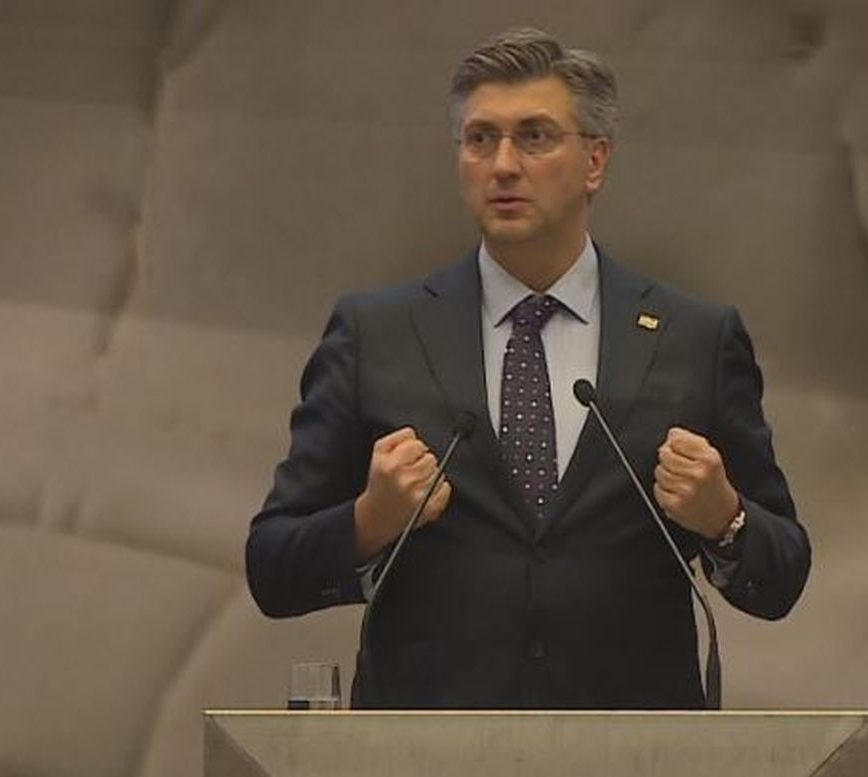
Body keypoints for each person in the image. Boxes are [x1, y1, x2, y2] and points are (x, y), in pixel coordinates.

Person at [246, 27, 810, 709]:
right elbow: (272, 567)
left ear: (595, 160)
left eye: (535, 137)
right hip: (426, 758)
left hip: (632, 757)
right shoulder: (377, 332)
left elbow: (783, 574)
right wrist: (371, 519)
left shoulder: (694, 338)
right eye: (480, 139)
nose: (503, 164)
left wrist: (725, 518)